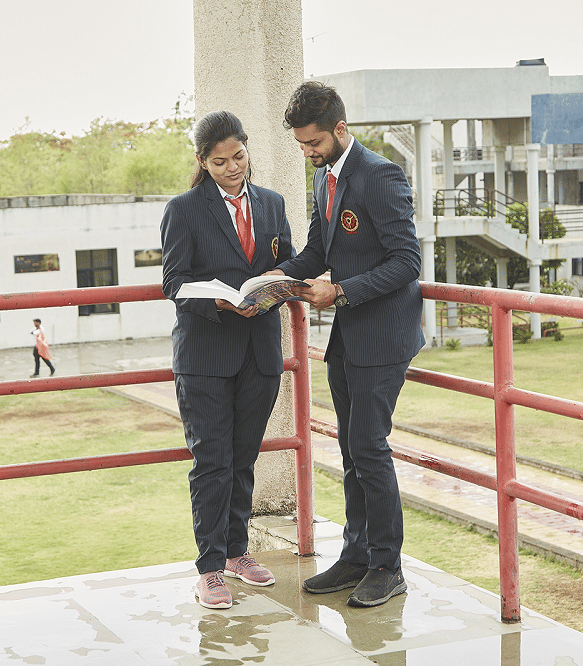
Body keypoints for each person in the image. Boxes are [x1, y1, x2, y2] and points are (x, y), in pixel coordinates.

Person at [269, 81, 424, 608]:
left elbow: (408, 262)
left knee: (370, 449)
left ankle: (388, 565)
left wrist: (341, 291)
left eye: (313, 144)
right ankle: (356, 556)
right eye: (301, 147)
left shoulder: (381, 176)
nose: (308, 154)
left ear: (339, 130)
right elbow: (317, 249)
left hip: (384, 336)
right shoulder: (324, 180)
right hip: (348, 337)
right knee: (351, 453)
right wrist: (272, 281)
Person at [160, 110, 296, 610]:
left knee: (243, 458)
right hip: (206, 353)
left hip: (260, 351)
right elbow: (173, 281)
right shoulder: (183, 209)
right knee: (212, 462)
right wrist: (214, 300)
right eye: (220, 162)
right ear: (203, 162)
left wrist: (280, 282)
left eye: (238, 156)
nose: (233, 167)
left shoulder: (273, 203)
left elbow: (289, 258)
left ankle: (238, 553)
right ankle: (210, 568)